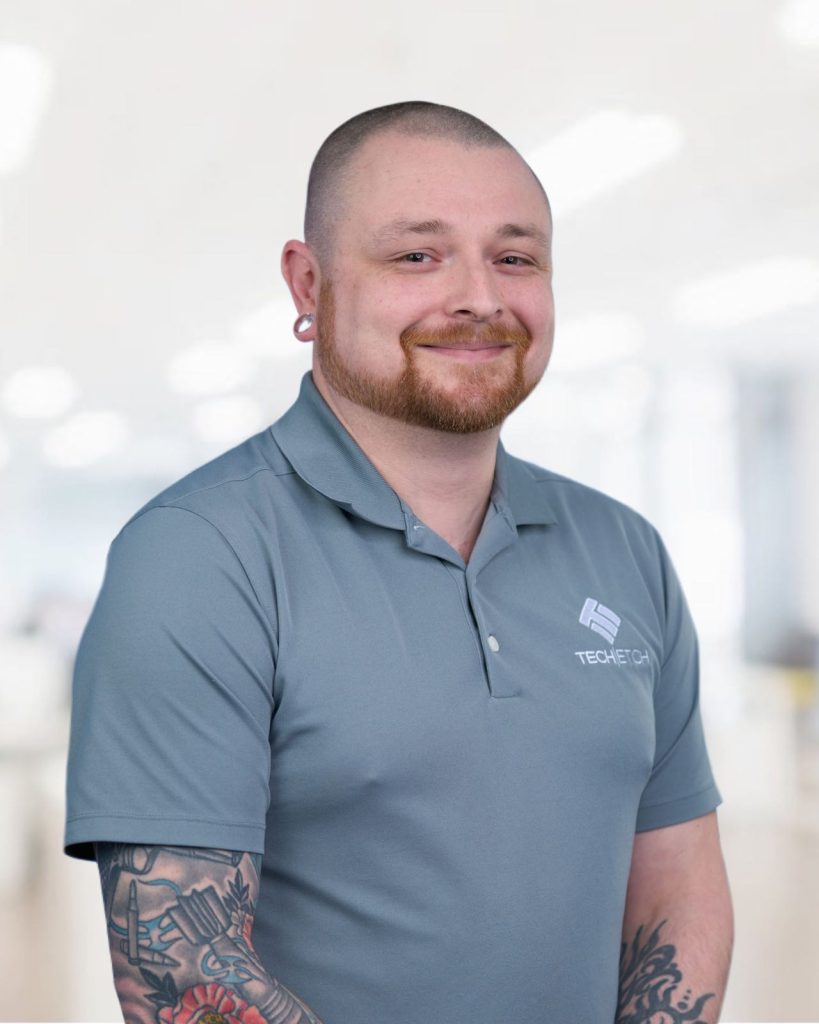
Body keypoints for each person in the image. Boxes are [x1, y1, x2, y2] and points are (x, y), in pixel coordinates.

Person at [64, 101, 734, 1024]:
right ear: (308, 284)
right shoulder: (196, 556)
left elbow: (678, 883)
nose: (479, 298)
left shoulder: (623, 550)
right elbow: (182, 968)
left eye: (515, 258)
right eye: (418, 256)